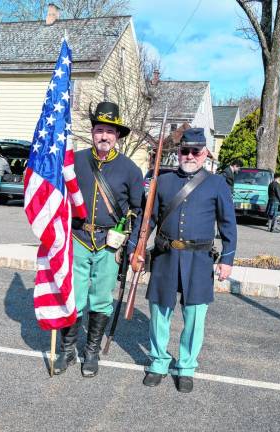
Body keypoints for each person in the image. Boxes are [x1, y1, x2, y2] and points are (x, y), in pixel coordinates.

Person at [142, 128, 237, 393]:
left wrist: (227, 258)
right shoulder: (163, 180)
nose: (190, 156)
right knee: (159, 312)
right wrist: (135, 248)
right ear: (178, 152)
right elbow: (147, 219)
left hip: (199, 259)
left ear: (205, 153)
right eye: (185, 150)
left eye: (196, 151)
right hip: (166, 255)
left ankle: (185, 366)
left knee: (195, 316)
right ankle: (159, 362)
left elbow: (228, 223)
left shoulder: (217, 183)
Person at [54, 101, 144, 377]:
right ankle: (67, 350)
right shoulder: (75, 161)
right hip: (78, 238)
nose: (104, 136)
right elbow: (57, 194)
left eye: (110, 131)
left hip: (109, 245)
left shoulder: (130, 169)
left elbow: (139, 211)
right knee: (73, 297)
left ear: (117, 136)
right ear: (93, 132)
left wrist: (133, 246)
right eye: (99, 130)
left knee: (102, 299)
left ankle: (91, 352)